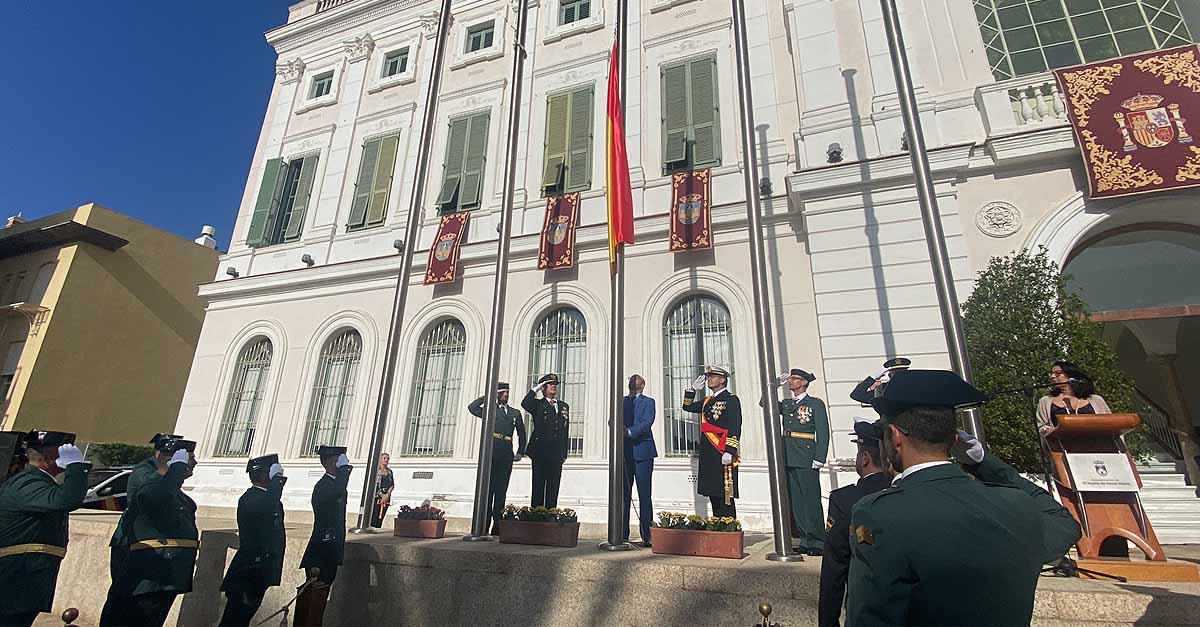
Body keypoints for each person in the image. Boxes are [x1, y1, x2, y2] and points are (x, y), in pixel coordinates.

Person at [845, 369, 1082, 627]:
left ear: (895, 436)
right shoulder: (1016, 506)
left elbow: (871, 617)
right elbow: (1064, 521)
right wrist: (982, 460)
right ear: (955, 439)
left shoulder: (879, 514)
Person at [99, 436, 199, 627]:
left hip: (165, 564)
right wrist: (175, 470)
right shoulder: (146, 474)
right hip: (139, 551)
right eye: (188, 458)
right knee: (127, 610)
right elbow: (154, 496)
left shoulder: (172, 488)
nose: (194, 462)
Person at [0, 430, 90, 627]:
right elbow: (67, 499)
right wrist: (77, 466)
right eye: (62, 450)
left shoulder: (37, 481)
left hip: (26, 575)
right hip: (16, 576)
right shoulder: (28, 483)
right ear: (49, 456)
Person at [818, 419, 890, 627]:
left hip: (865, 613)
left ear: (865, 458)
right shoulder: (907, 492)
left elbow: (834, 571)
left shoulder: (845, 500)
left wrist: (828, 623)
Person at [219, 454, 287, 627]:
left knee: (242, 619)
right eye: (273, 471)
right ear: (265, 475)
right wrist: (277, 480)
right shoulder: (251, 499)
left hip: (260, 572)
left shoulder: (269, 500)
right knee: (234, 620)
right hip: (248, 573)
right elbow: (266, 506)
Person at [774, 368, 829, 556]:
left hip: (806, 455)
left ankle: (818, 541)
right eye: (790, 379)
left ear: (804, 382)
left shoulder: (815, 404)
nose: (790, 381)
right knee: (796, 501)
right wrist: (773, 387)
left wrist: (820, 457)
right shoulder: (788, 404)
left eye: (794, 379)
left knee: (810, 500)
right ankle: (805, 539)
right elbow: (765, 403)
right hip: (789, 455)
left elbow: (822, 431)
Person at [296, 446, 353, 627]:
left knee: (320, 598)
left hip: (331, 549)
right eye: (339, 460)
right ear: (331, 462)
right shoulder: (324, 486)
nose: (343, 464)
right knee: (314, 598)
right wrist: (344, 470)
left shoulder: (334, 485)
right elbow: (336, 492)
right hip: (321, 551)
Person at [682, 365, 742, 518]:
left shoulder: (731, 400)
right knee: (712, 493)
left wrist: (730, 450)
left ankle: (729, 529)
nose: (709, 379)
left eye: (712, 376)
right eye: (708, 376)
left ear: (722, 380)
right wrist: (692, 390)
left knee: (724, 494)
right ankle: (718, 527)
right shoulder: (707, 401)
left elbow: (734, 426)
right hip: (708, 452)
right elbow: (686, 407)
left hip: (721, 451)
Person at [469, 382, 528, 534]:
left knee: (501, 491)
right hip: (491, 454)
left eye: (507, 393)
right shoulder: (490, 410)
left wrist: (520, 452)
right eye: (502, 393)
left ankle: (497, 526)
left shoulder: (515, 413)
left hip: (506, 454)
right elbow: (472, 408)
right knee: (488, 491)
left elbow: (522, 433)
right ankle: (483, 525)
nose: (506, 395)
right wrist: (486, 397)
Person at [523, 374, 569, 509]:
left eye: (555, 383)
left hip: (556, 454)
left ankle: (551, 516)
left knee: (553, 488)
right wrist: (536, 389)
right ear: (544, 388)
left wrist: (564, 453)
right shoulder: (538, 404)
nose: (554, 386)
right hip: (540, 452)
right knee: (538, 486)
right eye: (550, 384)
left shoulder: (563, 406)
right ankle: (536, 517)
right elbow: (525, 403)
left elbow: (565, 430)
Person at [622, 374, 657, 547]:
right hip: (624, 453)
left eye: (637, 379)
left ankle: (647, 535)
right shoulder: (621, 401)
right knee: (623, 496)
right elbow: (613, 419)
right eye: (632, 378)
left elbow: (647, 422)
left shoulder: (648, 402)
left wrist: (629, 432)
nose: (634, 379)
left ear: (643, 384)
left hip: (643, 452)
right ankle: (621, 534)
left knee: (644, 495)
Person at [1037, 360, 1111, 433]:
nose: (1052, 376)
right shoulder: (1045, 401)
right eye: (1052, 373)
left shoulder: (1095, 399)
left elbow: (1110, 423)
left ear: (1071, 376)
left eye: (1058, 373)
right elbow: (1041, 426)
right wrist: (1047, 430)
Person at [370, 453, 394, 529]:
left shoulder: (389, 472)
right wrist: (382, 495)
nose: (386, 460)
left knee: (381, 516)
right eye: (384, 458)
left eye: (387, 458)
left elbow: (392, 484)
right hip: (377, 497)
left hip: (386, 497)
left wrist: (387, 494)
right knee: (375, 514)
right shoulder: (377, 471)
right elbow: (374, 484)